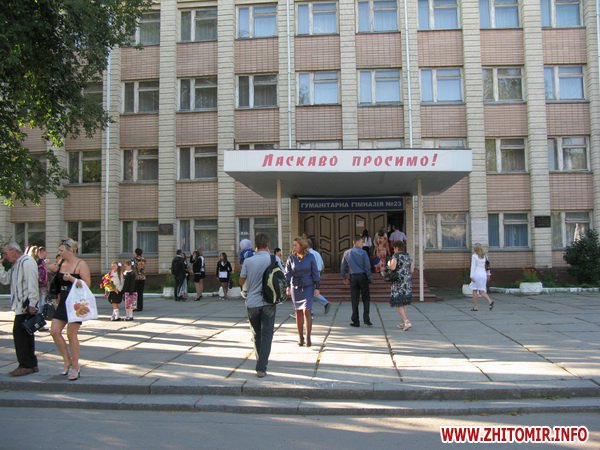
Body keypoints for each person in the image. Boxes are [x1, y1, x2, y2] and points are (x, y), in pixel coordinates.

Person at [50, 238, 91, 381]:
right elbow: (56, 280)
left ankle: (75, 366)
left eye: (61, 250)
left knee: (71, 334)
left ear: (70, 250)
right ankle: (66, 360)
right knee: (54, 331)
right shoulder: (61, 263)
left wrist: (73, 279)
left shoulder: (81, 264)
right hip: (63, 302)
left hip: (77, 303)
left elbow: (87, 284)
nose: (59, 252)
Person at [0, 242, 40, 377]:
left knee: (20, 334)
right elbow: (5, 280)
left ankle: (25, 365)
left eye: (6, 253)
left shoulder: (27, 262)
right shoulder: (15, 264)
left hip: (26, 306)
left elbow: (32, 283)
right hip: (19, 305)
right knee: (26, 334)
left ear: (14, 250)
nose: (5, 256)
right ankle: (31, 363)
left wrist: (33, 303)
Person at [239, 233, 276, 378]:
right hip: (269, 301)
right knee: (267, 334)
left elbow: (241, 280)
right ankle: (261, 367)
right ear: (268, 244)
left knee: (256, 334)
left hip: (252, 302)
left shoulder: (248, 261)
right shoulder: (274, 259)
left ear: (255, 245)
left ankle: (260, 362)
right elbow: (282, 277)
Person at [285, 237, 320, 347]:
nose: (293, 247)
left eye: (296, 245)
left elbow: (315, 272)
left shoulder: (310, 257)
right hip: (295, 288)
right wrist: (287, 286)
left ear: (301, 246)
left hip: (308, 286)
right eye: (293, 245)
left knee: (307, 310)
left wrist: (317, 287)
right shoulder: (291, 258)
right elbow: (287, 273)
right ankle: (301, 338)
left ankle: (308, 337)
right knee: (298, 312)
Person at [340, 236, 373, 327]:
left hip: (353, 277)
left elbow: (343, 267)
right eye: (361, 242)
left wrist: (344, 277)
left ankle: (355, 321)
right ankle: (366, 319)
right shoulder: (363, 253)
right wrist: (370, 277)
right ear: (356, 242)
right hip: (363, 276)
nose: (363, 244)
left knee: (354, 299)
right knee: (366, 298)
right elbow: (367, 267)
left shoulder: (347, 252)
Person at [388, 240, 413, 331]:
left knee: (398, 303)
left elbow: (393, 267)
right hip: (407, 282)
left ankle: (406, 321)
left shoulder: (396, 256)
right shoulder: (408, 256)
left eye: (394, 248)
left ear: (396, 248)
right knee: (403, 303)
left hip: (398, 282)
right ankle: (403, 322)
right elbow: (412, 270)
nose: (393, 250)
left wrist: (389, 264)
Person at [308, 239, 330, 315]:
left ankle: (310, 310)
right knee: (311, 292)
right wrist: (320, 274)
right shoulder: (317, 253)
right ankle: (325, 303)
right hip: (317, 273)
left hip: (310, 274)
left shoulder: (308, 254)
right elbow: (322, 265)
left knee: (309, 292)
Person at [470, 243, 494, 311]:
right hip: (483, 275)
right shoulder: (485, 256)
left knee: (475, 290)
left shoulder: (474, 256)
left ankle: (475, 307)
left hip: (476, 274)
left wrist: (471, 276)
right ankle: (490, 301)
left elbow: (473, 266)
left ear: (475, 249)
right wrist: (488, 274)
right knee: (481, 291)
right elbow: (488, 266)